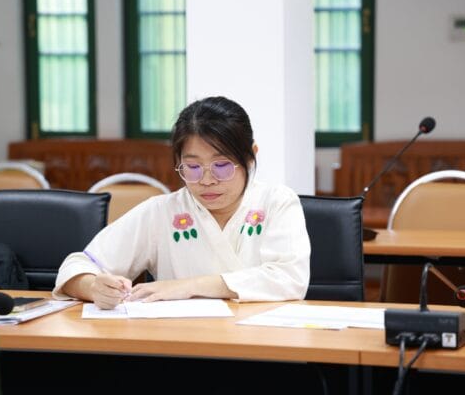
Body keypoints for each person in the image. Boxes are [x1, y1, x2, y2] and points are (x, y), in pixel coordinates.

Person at [52, 96, 310, 308]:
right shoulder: (162, 211)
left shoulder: (276, 202)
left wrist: (188, 287)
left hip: (262, 342)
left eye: (221, 166)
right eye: (193, 167)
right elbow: (77, 265)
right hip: (182, 343)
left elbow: (290, 279)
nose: (207, 180)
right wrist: (93, 287)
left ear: (251, 157)